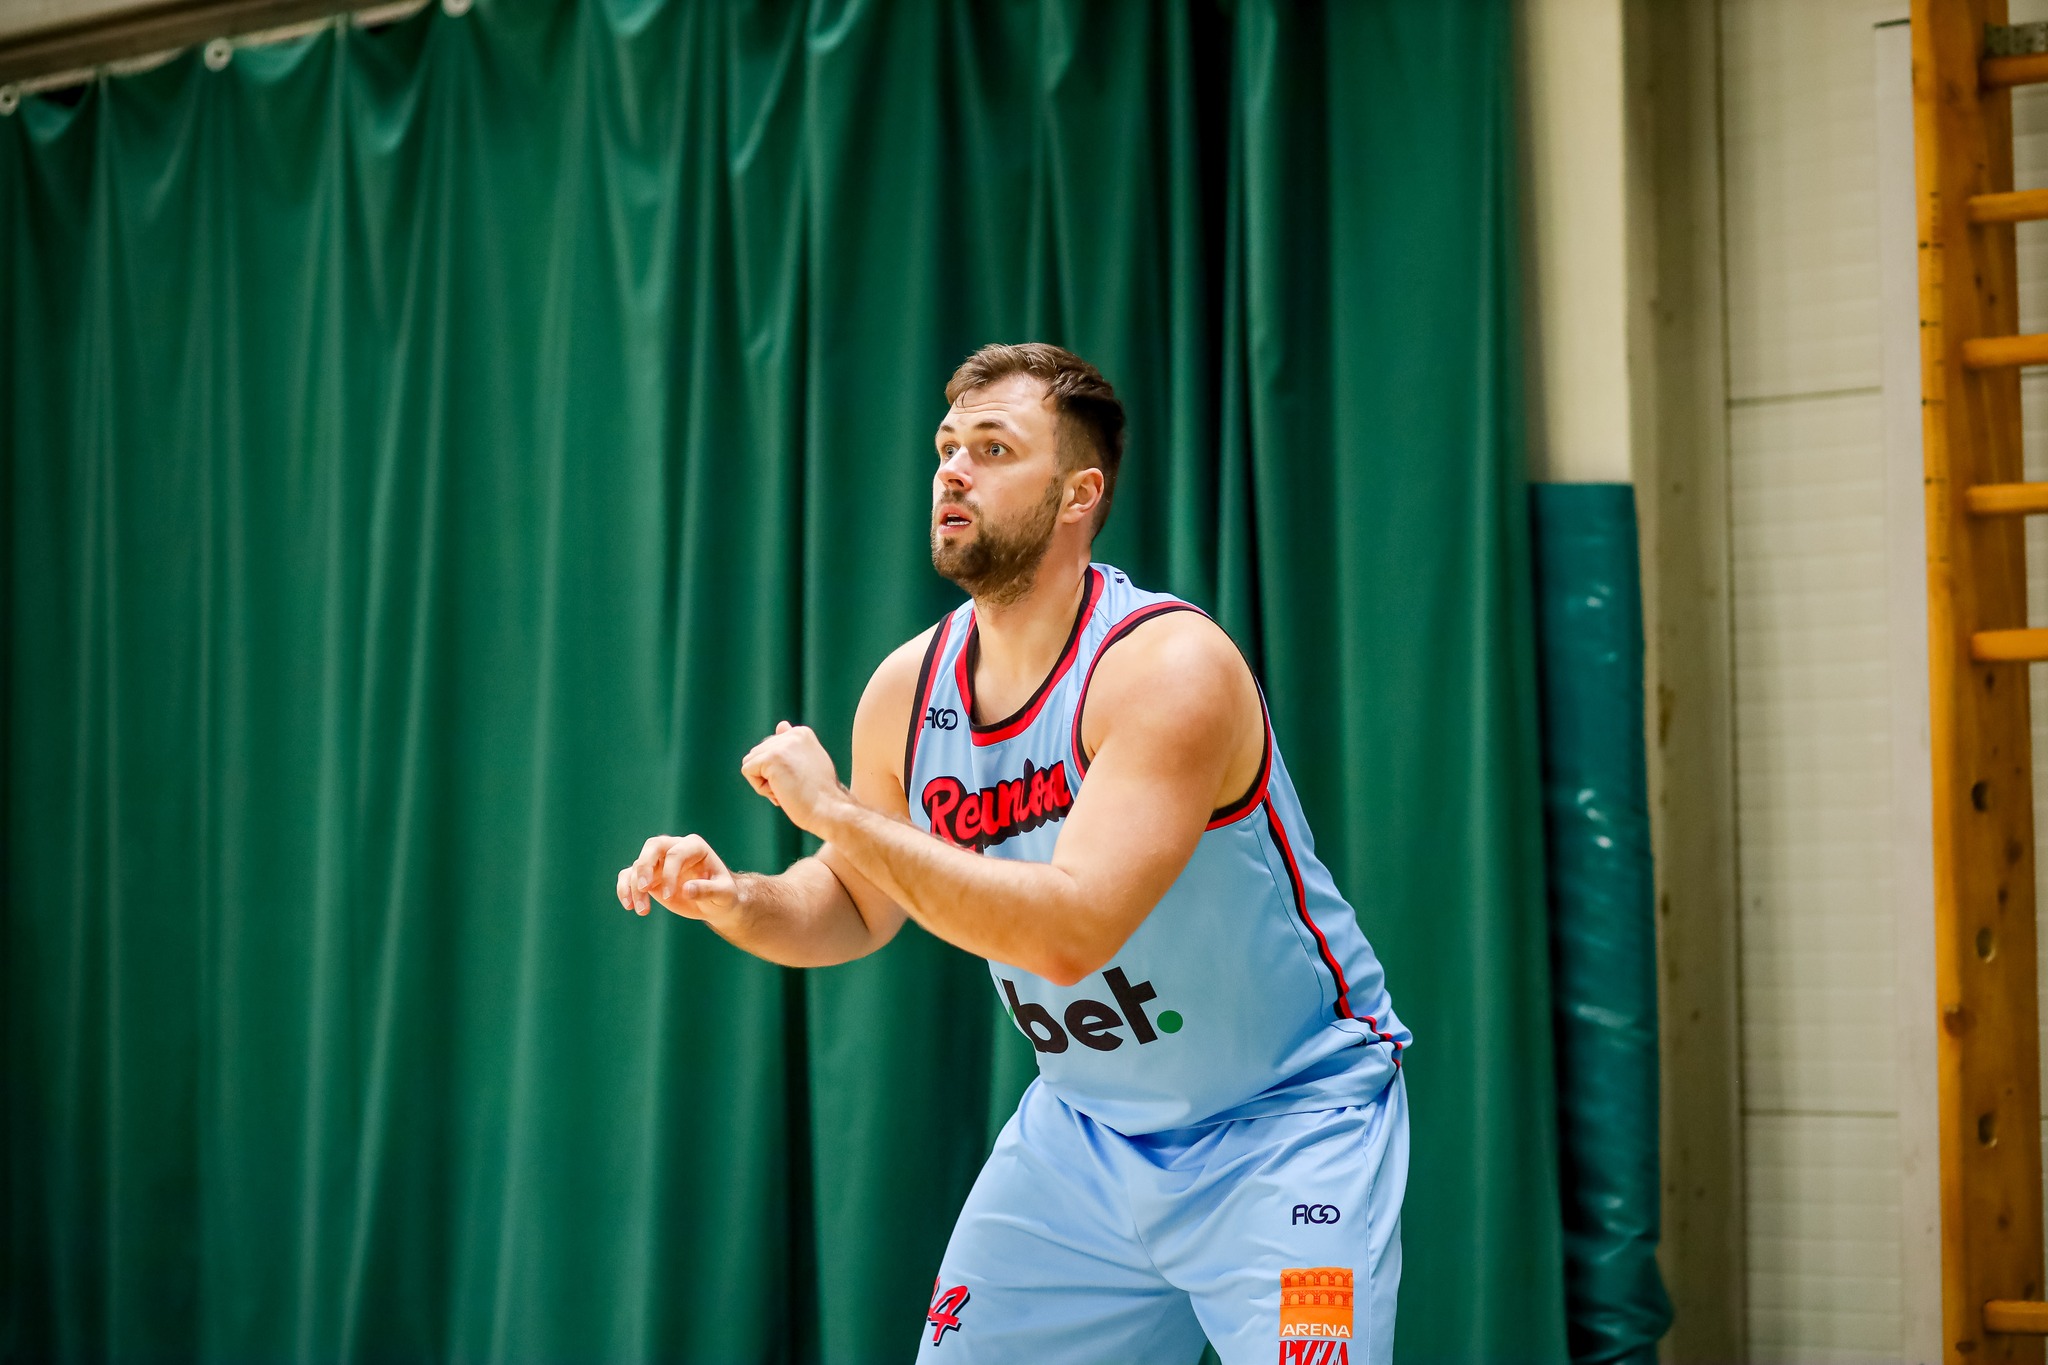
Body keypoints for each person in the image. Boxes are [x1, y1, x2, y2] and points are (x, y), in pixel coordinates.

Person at [616, 343, 1409, 1365]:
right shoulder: (907, 689)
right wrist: (740, 897)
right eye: (947, 446)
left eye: (992, 449)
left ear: (1079, 493)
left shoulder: (1167, 667)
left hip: (1286, 1129)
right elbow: (855, 902)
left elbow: (1069, 933)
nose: (953, 470)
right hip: (1082, 1137)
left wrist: (835, 812)